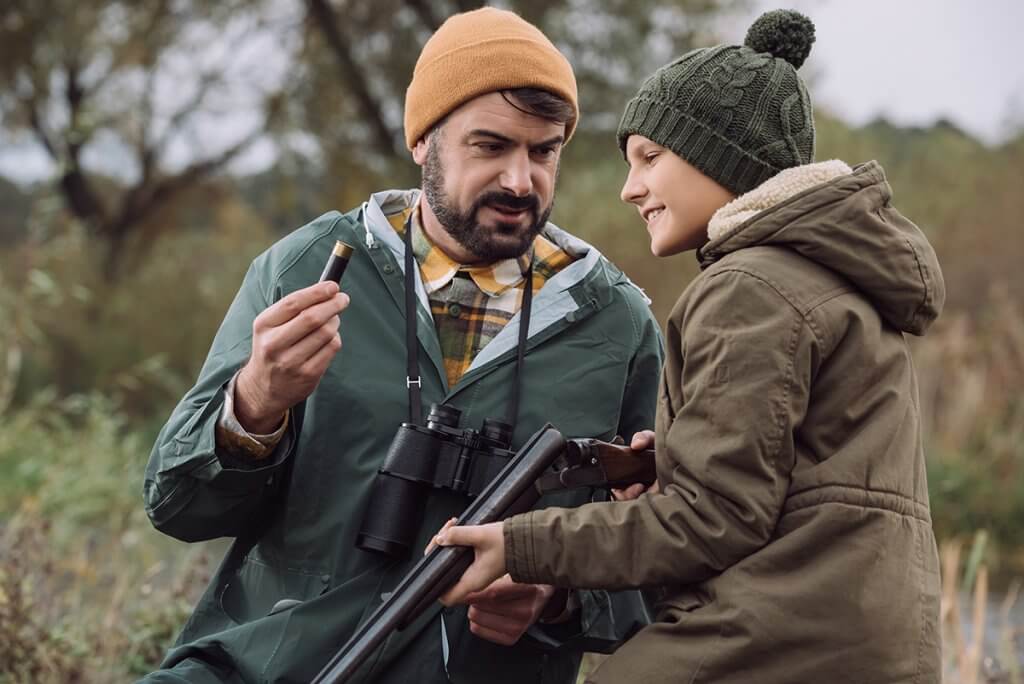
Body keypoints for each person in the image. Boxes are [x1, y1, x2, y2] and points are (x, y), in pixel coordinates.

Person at [140, 7, 664, 684]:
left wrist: (557, 598)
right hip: (262, 667)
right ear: (423, 142)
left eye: (543, 151)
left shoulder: (616, 324)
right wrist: (254, 407)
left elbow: (666, 559)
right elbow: (177, 506)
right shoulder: (305, 269)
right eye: (490, 146)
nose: (519, 180)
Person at [433, 9, 945, 683]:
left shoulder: (748, 286)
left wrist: (521, 546)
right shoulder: (837, 275)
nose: (630, 187)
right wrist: (670, 462)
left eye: (650, 158)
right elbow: (795, 480)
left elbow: (714, 519)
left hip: (785, 633)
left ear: (721, 158)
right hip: (867, 632)